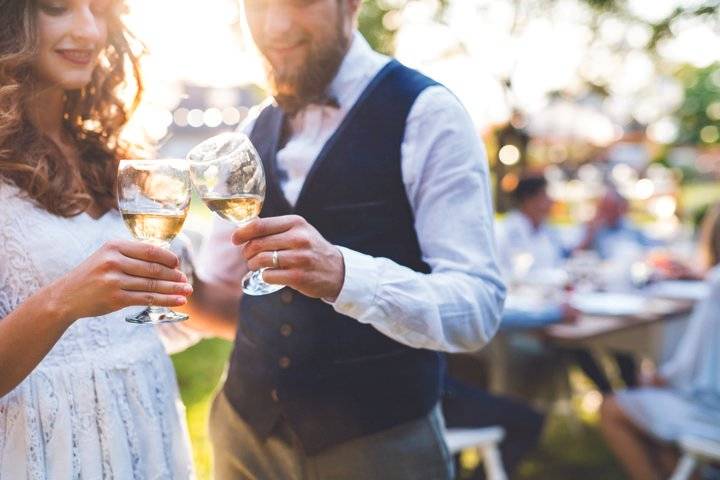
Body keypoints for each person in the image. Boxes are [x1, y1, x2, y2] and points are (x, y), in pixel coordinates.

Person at [186, 0, 506, 478]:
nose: (275, 26)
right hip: (242, 436)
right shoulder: (252, 129)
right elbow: (225, 299)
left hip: (380, 449)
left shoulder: (429, 114)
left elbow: (477, 309)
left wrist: (344, 275)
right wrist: (170, 274)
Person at [0, 1, 195, 477]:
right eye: (58, 8)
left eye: (99, 9)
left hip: (148, 433)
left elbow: (178, 310)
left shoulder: (110, 153)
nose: (88, 30)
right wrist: (64, 301)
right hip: (42, 452)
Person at [600, 202, 720, 480]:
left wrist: (655, 378)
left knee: (613, 409)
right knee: (656, 413)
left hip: (711, 415)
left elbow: (686, 365)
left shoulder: (716, 286)